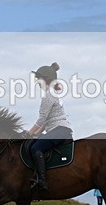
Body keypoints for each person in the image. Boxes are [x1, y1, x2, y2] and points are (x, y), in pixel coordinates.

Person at [23, 62, 73, 191]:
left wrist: (28, 133)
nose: (37, 82)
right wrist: (35, 133)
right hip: (59, 129)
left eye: (38, 79)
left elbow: (41, 119)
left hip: (59, 130)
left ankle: (42, 181)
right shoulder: (52, 93)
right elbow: (45, 123)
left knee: (35, 149)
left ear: (45, 79)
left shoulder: (48, 95)